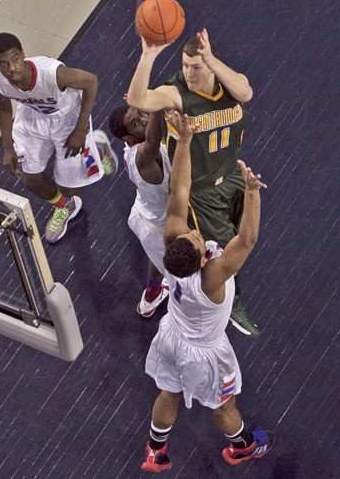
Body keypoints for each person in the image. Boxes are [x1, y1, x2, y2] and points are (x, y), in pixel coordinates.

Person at [141, 110, 272, 472]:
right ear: (201, 261)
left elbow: (180, 190)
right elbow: (247, 239)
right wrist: (251, 194)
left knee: (168, 392)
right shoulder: (211, 277)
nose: (198, 234)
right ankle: (242, 446)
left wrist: (183, 142)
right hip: (205, 354)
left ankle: (155, 450)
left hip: (170, 337)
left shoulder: (172, 242)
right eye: (199, 241)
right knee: (224, 405)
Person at [127, 28, 260, 336]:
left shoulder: (229, 85)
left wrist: (211, 61)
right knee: (229, 250)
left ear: (211, 64)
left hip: (232, 177)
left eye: (195, 66)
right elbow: (138, 98)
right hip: (199, 192)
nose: (188, 72)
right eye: (184, 65)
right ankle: (232, 300)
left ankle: (162, 284)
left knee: (245, 231)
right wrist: (148, 56)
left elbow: (246, 93)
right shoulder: (176, 93)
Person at [0, 33, 118, 243]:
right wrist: (8, 146)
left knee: (69, 186)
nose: (12, 68)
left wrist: (80, 130)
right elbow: (2, 104)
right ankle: (65, 206)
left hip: (68, 120)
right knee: (31, 179)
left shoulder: (52, 74)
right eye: (3, 63)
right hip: (32, 118)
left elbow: (91, 82)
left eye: (15, 59)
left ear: (23, 55)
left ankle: (96, 146)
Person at [108, 105, 170, 317]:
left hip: (147, 213)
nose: (144, 120)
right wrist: (156, 105)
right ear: (127, 136)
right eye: (136, 123)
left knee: (156, 259)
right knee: (186, 277)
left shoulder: (140, 142)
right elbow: (154, 140)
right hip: (159, 226)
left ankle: (152, 293)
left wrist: (145, 102)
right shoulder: (143, 155)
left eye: (142, 114)